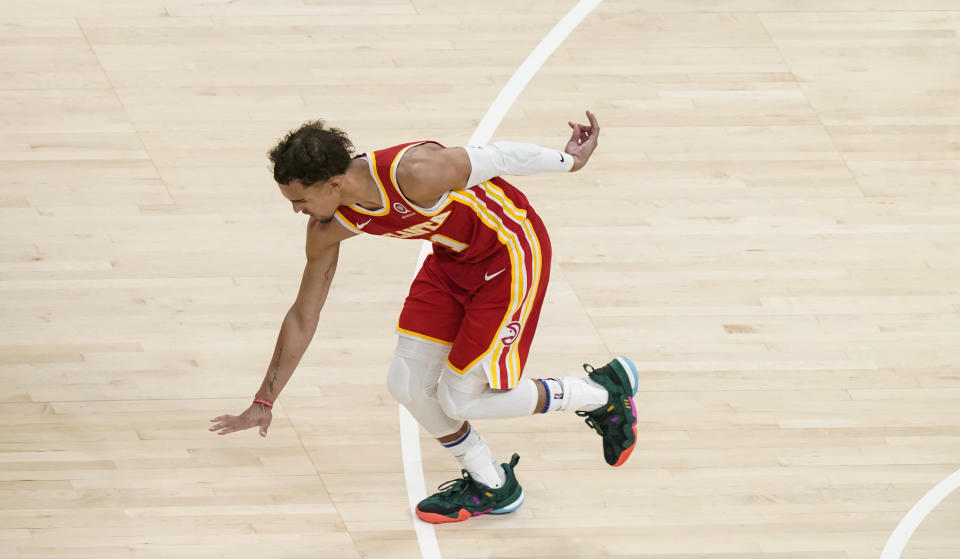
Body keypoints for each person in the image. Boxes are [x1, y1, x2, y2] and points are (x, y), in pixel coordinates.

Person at [209, 111, 639, 524]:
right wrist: (265, 400)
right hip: (451, 263)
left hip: (508, 254)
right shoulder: (329, 226)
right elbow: (304, 313)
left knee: (461, 398)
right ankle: (491, 483)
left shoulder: (414, 172)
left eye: (299, 200)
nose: (296, 210)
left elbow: (499, 156)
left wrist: (571, 162)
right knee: (406, 384)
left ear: (335, 184)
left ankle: (599, 394)